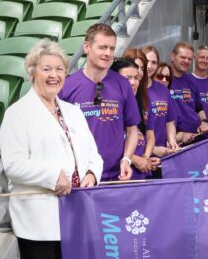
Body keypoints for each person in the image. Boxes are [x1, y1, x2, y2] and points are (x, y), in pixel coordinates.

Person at [0, 39, 103, 259]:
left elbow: (93, 154)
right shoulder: (17, 114)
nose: (55, 75)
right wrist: (51, 176)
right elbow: (14, 165)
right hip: (39, 218)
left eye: (60, 69)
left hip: (77, 214)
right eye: (47, 69)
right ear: (33, 72)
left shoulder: (72, 111)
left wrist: (91, 173)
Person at [59, 24, 139, 182]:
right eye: (102, 47)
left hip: (116, 177)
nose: (108, 53)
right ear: (87, 47)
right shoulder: (67, 86)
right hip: (81, 178)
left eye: (111, 48)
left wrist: (127, 159)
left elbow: (132, 130)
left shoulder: (122, 84)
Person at [111, 58, 159, 180]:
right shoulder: (109, 105)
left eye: (136, 78)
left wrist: (146, 159)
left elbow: (148, 135)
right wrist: (134, 159)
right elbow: (104, 144)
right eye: (127, 78)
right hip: (118, 175)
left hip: (141, 176)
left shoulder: (141, 103)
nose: (132, 82)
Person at [132, 45, 179, 158]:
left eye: (154, 62)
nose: (149, 66)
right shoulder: (133, 88)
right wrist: (152, 149)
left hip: (162, 152)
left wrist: (172, 141)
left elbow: (170, 121)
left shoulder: (163, 89)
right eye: (146, 61)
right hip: (139, 153)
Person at [168, 42, 208, 145]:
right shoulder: (163, 79)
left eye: (189, 59)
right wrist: (180, 135)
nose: (186, 61)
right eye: (183, 57)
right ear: (173, 56)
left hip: (197, 137)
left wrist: (204, 122)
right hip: (177, 142)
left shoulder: (192, 80)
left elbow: (199, 107)